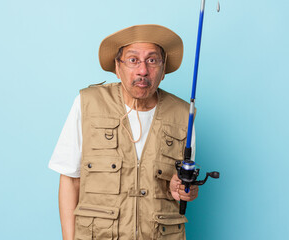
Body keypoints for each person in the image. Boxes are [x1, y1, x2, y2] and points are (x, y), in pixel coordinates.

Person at [49, 24, 199, 240]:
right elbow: (70, 180)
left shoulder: (184, 114)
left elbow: (181, 186)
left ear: (163, 69)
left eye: (152, 60)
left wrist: (184, 190)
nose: (143, 70)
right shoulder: (87, 103)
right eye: (133, 60)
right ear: (117, 68)